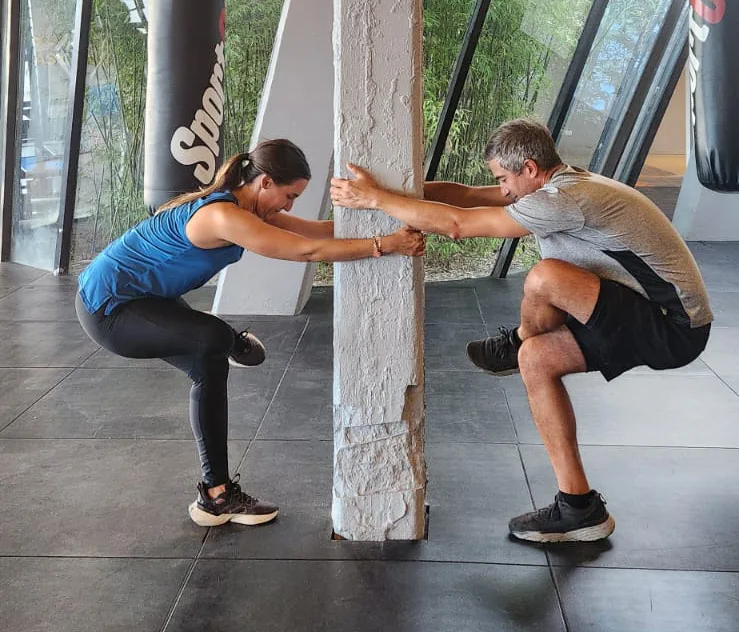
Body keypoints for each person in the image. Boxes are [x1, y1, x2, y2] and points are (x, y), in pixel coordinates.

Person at [330, 118, 712, 544]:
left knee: (544, 277)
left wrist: (375, 200)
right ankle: (579, 507)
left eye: (504, 178)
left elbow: (457, 224)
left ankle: (517, 340)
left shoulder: (566, 198)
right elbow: (467, 197)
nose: (503, 189)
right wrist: (394, 187)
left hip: (672, 323)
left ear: (529, 168)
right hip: (632, 313)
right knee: (537, 361)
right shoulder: (552, 184)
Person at [76, 138, 424, 529]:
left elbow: (318, 233)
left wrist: (386, 211)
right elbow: (304, 253)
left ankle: (216, 496)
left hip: (147, 300)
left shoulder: (245, 207)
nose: (289, 206)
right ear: (265, 183)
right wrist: (384, 245)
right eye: (289, 195)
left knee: (208, 368)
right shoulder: (225, 217)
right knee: (209, 339)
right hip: (109, 308)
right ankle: (232, 342)